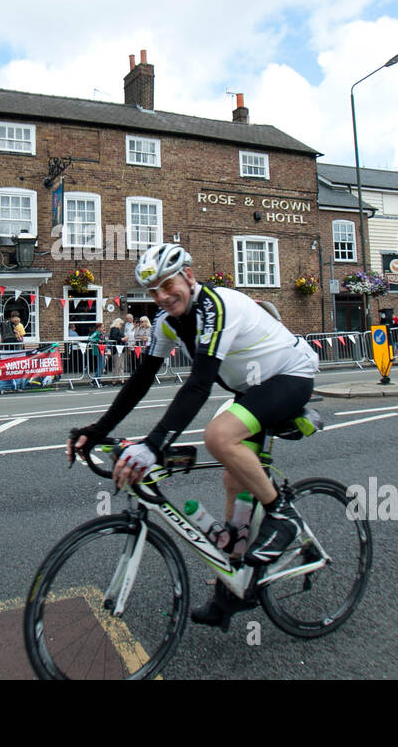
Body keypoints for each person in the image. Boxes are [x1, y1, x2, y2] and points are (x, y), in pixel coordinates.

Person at [65, 243, 321, 629]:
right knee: (233, 479)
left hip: (290, 374)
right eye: (153, 292)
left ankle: (281, 516)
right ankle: (233, 590)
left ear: (187, 276)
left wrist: (154, 445)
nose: (163, 297)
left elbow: (199, 385)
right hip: (251, 388)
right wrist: (97, 431)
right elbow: (141, 380)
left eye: (168, 285)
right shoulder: (166, 323)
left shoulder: (217, 306)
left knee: (219, 436)